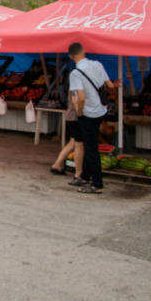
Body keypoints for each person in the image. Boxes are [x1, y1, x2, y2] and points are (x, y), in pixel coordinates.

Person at [67, 42, 119, 194]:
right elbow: (110, 85)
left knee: (91, 149)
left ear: (71, 56)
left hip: (88, 113)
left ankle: (96, 183)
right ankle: (84, 176)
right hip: (101, 111)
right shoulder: (97, 64)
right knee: (89, 144)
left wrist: (80, 112)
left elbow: (80, 97)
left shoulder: (75, 73)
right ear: (83, 51)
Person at [49, 90, 86, 186]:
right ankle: (78, 172)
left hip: (71, 117)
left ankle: (57, 164)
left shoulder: (74, 85)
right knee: (76, 144)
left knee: (72, 143)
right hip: (75, 117)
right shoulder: (76, 86)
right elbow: (78, 101)